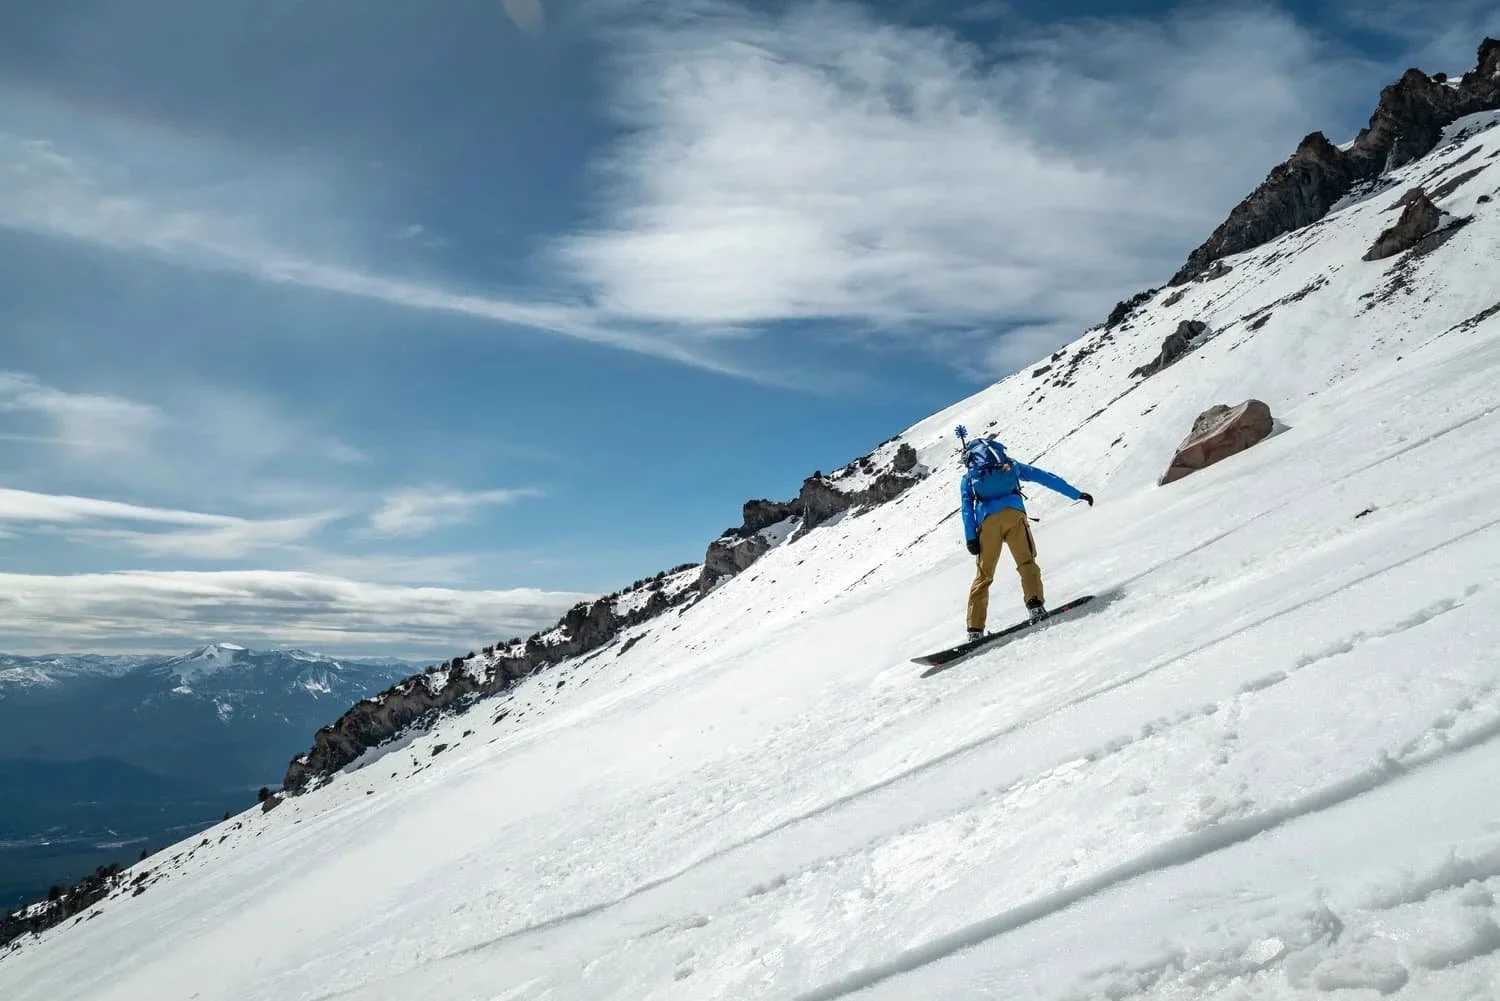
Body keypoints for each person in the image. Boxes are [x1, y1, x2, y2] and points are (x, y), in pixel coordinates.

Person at [955, 425, 1093, 641]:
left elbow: (966, 509)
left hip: (987, 523)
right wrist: (1076, 493)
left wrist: (971, 538)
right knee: (1026, 562)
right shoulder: (1010, 466)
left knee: (984, 575)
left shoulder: (969, 477)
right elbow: (1043, 477)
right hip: (1014, 516)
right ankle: (1036, 605)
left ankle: (975, 629)